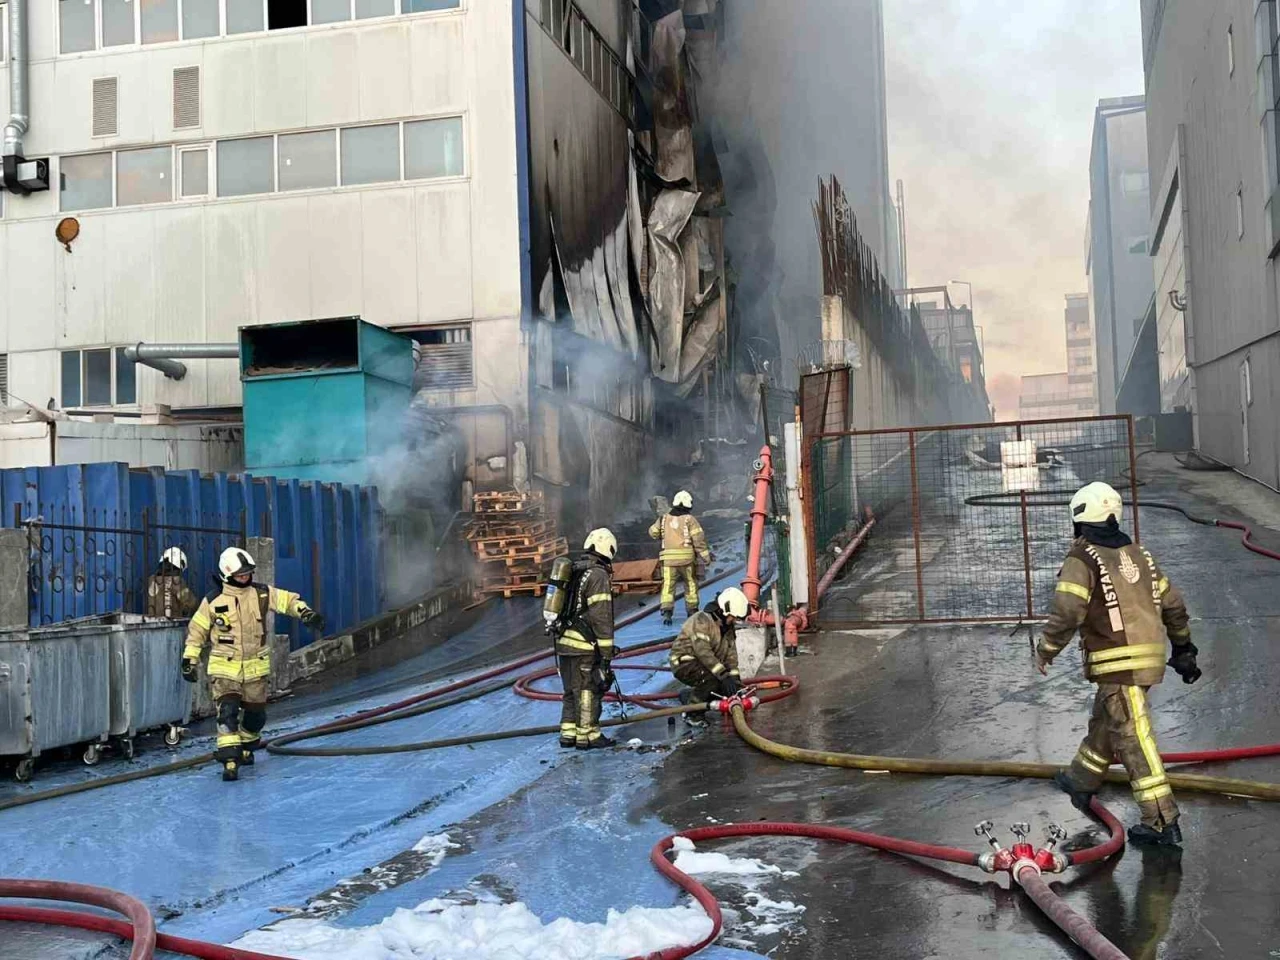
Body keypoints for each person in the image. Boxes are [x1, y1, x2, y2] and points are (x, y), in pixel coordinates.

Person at [1033, 481, 1197, 847]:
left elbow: (1068, 611)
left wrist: (1046, 650)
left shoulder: (1082, 559)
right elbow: (1173, 604)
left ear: (1079, 519)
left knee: (1134, 739)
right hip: (1148, 659)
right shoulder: (1141, 555)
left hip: (1118, 663)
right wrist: (1183, 647)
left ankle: (1161, 820)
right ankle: (1081, 779)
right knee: (1108, 721)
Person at [181, 547, 325, 781]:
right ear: (227, 574)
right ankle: (230, 759)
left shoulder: (261, 594)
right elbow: (196, 632)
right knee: (227, 712)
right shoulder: (212, 601)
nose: (245, 578)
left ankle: (247, 747)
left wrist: (306, 613)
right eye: (240, 575)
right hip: (224, 669)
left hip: (255, 669)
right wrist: (189, 659)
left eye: (247, 573)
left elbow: (288, 601)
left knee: (255, 717)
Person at [555, 528, 618, 751]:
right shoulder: (598, 575)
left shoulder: (574, 570)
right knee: (587, 690)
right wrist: (607, 653)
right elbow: (601, 617)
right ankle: (588, 735)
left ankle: (568, 734)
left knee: (570, 690)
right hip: (584, 645)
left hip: (564, 642)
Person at [669, 587, 749, 724]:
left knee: (723, 689)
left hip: (706, 665)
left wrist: (735, 683)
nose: (734, 621)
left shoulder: (727, 628)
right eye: (734, 617)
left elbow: (731, 656)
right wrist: (723, 676)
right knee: (712, 680)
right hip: (685, 663)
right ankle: (692, 713)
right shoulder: (701, 621)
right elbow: (703, 652)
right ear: (724, 611)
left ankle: (689, 696)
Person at [649, 490, 712, 627]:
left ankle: (667, 611)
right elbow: (699, 540)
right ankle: (692, 611)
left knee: (668, 586)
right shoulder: (690, 520)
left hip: (668, 562)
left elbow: (653, 533)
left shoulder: (663, 518)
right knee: (690, 584)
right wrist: (706, 558)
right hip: (686, 561)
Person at [145, 547, 199, 619]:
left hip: (151, 623)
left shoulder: (151, 580)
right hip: (171, 624)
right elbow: (193, 605)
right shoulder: (177, 582)